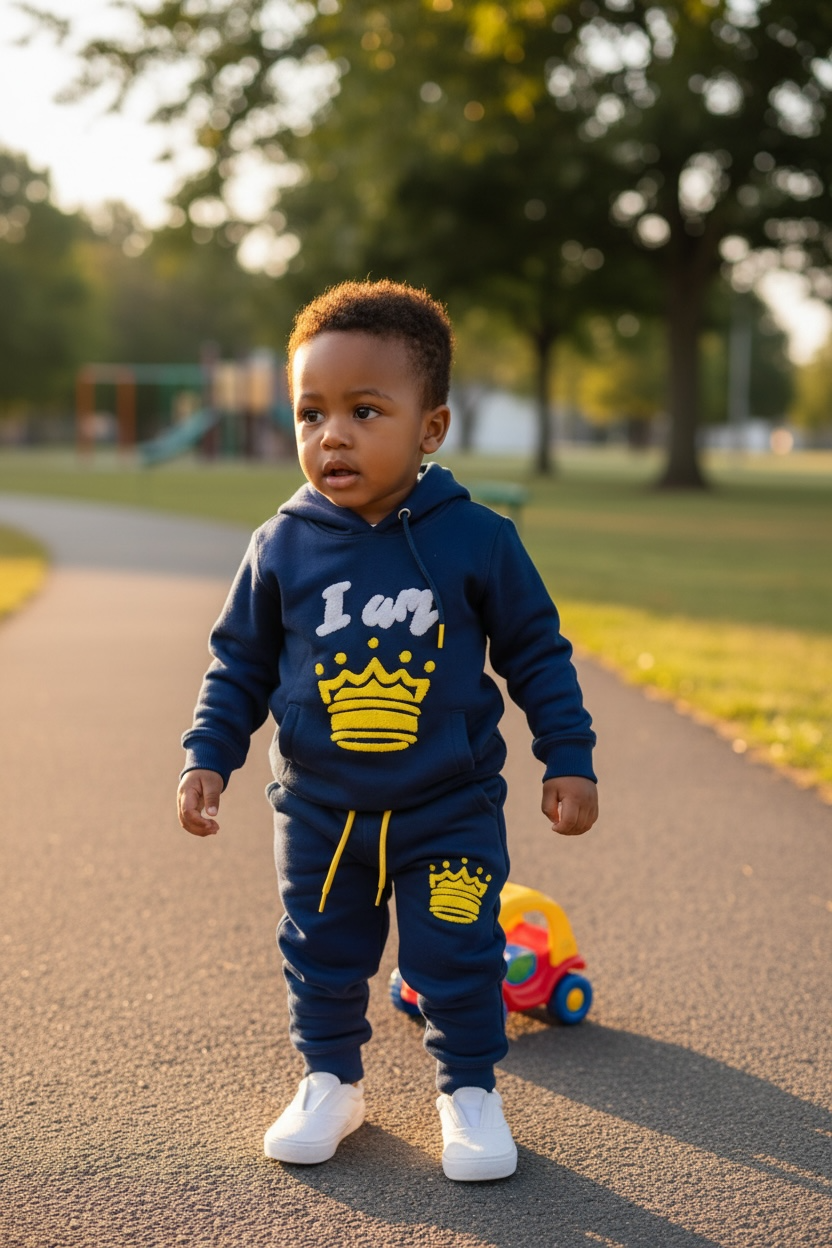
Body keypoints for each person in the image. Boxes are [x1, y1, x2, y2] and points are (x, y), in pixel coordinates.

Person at [177, 279, 598, 1182]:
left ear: (430, 428)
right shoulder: (280, 545)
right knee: (320, 952)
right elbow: (239, 664)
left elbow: (538, 654)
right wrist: (207, 756)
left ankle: (469, 1091)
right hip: (322, 809)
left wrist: (568, 756)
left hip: (448, 806)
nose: (332, 435)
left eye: (366, 410)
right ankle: (330, 1079)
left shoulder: (478, 540)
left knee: (458, 948)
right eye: (311, 413)